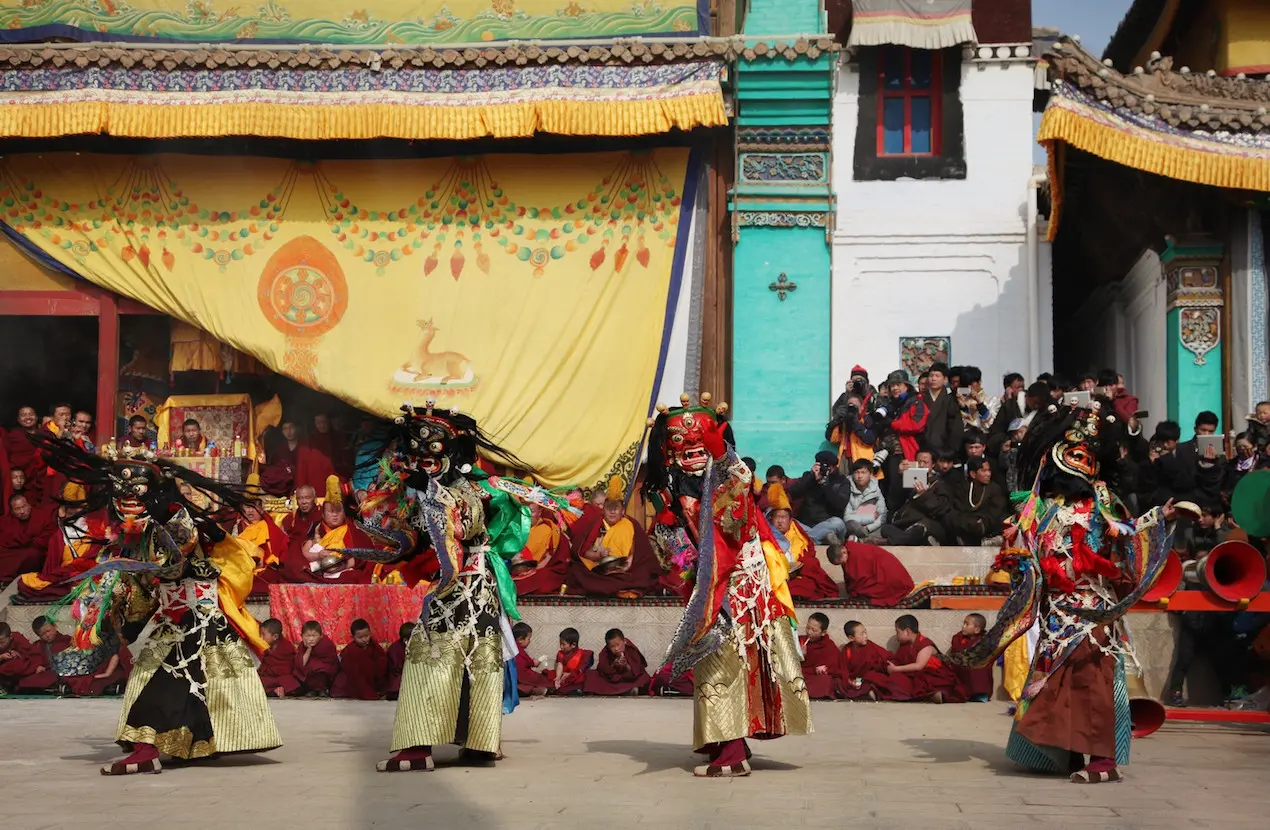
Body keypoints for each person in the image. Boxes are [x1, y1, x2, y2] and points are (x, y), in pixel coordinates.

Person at [944, 399, 1178, 783]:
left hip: (1092, 608)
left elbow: (1128, 535)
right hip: (1055, 611)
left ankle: (1103, 761)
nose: (1079, 461)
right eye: (1071, 453)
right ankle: (1066, 753)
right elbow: (1024, 552)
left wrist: (1159, 517)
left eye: (1086, 455)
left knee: (1094, 681)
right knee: (1055, 684)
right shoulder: (1040, 509)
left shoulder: (1102, 505)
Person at [31, 435, 281, 774]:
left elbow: (181, 550)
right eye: (122, 492)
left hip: (200, 617)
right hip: (171, 619)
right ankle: (176, 744)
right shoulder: (131, 537)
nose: (130, 499)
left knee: (169, 682)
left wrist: (166, 514)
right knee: (150, 677)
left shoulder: (180, 520)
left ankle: (147, 751)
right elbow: (143, 589)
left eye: (138, 491)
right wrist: (114, 609)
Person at [363, 403, 541, 773]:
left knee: (432, 654)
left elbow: (456, 531)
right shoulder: (431, 490)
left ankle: (421, 748)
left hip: (466, 583)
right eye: (415, 451)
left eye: (433, 450)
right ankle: (478, 743)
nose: (423, 458)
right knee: (472, 659)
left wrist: (427, 505)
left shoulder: (465, 490)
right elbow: (418, 535)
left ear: (452, 451)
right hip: (468, 584)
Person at [644, 393, 810, 778]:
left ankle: (731, 753)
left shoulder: (725, 477)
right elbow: (674, 549)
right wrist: (678, 549)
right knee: (714, 662)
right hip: (707, 586)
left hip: (740, 584)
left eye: (700, 444)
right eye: (680, 446)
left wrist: (724, 456)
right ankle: (723, 740)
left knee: (724, 663)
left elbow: (739, 492)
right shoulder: (670, 490)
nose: (691, 452)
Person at [567, 477, 660, 598]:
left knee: (643, 574)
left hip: (626, 569)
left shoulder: (631, 525)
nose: (612, 512)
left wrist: (629, 562)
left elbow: (640, 552)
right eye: (609, 508)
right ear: (603, 510)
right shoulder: (595, 524)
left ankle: (616, 587)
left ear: (623, 511)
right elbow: (583, 552)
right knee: (577, 571)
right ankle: (619, 588)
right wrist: (598, 555)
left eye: (616, 508)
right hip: (599, 569)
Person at [279, 477, 375, 584]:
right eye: (330, 511)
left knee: (355, 576)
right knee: (296, 566)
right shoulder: (317, 528)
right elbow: (305, 551)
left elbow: (363, 555)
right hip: (319, 567)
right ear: (323, 514)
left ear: (344, 513)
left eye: (338, 511)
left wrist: (343, 565)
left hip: (343, 569)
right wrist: (318, 556)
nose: (334, 515)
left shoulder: (352, 530)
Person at [15, 499, 104, 601]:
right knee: (25, 582)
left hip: (87, 576)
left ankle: (72, 591)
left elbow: (98, 559)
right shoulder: (58, 536)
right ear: (66, 514)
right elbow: (51, 570)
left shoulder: (95, 531)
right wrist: (63, 573)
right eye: (71, 513)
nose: (75, 517)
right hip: (64, 577)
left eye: (79, 513)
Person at [864, 615, 966, 703]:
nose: (896, 636)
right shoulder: (906, 645)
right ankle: (878, 691)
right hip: (913, 676)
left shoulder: (925, 644)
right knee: (887, 678)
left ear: (907, 631)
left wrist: (895, 669)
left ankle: (934, 695)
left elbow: (919, 666)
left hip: (931, 674)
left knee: (928, 681)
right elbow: (901, 661)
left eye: (897, 632)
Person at [766, 483, 838, 600]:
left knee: (808, 578)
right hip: (776, 573)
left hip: (797, 573)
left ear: (790, 520)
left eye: (783, 517)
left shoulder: (797, 532)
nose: (780, 521)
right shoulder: (767, 534)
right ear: (771, 518)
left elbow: (809, 552)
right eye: (777, 517)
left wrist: (802, 565)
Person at [234, 484, 289, 592]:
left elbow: (275, 551)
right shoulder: (238, 526)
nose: (250, 511)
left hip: (262, 567)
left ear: (261, 509)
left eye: (254, 507)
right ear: (242, 509)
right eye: (247, 506)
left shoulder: (267, 526)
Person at [788, 450, 849, 544]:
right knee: (787, 521)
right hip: (807, 524)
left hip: (828, 523)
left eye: (827, 467)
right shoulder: (809, 477)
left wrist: (824, 484)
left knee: (838, 523)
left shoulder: (842, 481)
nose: (824, 470)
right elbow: (792, 493)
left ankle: (809, 539)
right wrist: (810, 476)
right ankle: (819, 538)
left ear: (833, 467)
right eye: (821, 466)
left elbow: (840, 504)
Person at [512, 502, 571, 596]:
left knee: (543, 581)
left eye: (531, 511)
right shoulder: (514, 528)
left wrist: (531, 571)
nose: (527, 515)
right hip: (515, 569)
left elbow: (549, 558)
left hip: (537, 569)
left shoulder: (548, 529)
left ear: (540, 512)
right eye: (524, 511)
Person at [834, 541, 914, 606]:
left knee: (864, 591)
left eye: (842, 562)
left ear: (844, 551)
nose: (844, 564)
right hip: (881, 572)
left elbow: (861, 577)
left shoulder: (856, 553)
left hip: (889, 574)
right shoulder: (848, 554)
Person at [0, 493, 55, 586]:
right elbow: (4, 541)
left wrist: (33, 541)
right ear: (12, 511)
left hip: (34, 549)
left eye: (23, 507)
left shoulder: (42, 515)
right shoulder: (6, 521)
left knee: (33, 555)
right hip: (15, 551)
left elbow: (49, 535)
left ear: (29, 505)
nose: (22, 511)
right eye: (17, 509)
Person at [333, 619, 388, 700]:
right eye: (360, 637)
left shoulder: (374, 645)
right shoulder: (350, 650)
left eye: (366, 636)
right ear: (353, 637)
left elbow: (381, 659)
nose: (364, 639)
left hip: (372, 678)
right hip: (356, 680)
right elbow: (349, 668)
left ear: (370, 633)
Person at [584, 628, 651, 696]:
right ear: (608, 646)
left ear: (624, 641)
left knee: (645, 678)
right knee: (591, 675)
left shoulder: (631, 650)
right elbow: (603, 669)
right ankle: (627, 690)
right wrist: (613, 665)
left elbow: (636, 671)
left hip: (629, 679)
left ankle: (625, 690)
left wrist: (626, 666)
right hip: (613, 680)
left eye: (618, 644)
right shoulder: (605, 652)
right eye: (612, 646)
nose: (616, 649)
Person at [839, 621, 893, 700]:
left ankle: (869, 692)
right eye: (862, 634)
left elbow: (886, 657)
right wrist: (849, 681)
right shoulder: (847, 650)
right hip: (853, 679)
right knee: (838, 681)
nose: (866, 636)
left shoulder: (870, 645)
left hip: (866, 677)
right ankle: (866, 693)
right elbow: (843, 669)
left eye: (865, 632)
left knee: (872, 677)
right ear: (851, 638)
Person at [921, 362, 964, 459]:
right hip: (923, 448)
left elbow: (955, 427)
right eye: (931, 375)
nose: (933, 379)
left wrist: (951, 450)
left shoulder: (951, 400)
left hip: (944, 449)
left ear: (945, 379)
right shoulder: (921, 398)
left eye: (937, 376)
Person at [841, 458, 888, 542]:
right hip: (854, 527)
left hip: (872, 528)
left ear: (870, 474)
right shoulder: (846, 488)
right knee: (851, 525)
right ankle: (866, 539)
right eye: (857, 472)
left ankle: (861, 539)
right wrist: (870, 517)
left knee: (887, 529)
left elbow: (882, 514)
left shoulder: (876, 489)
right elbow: (847, 517)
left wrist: (868, 528)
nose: (859, 476)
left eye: (863, 472)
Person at [950, 613, 993, 702]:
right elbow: (956, 650)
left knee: (979, 667)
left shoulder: (984, 640)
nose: (963, 626)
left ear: (977, 630)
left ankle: (980, 693)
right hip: (960, 666)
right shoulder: (959, 638)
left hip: (975, 665)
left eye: (967, 624)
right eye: (963, 623)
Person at [800, 612, 842, 700]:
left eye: (814, 630)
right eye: (808, 628)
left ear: (823, 632)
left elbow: (835, 666)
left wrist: (824, 669)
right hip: (801, 674)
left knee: (826, 680)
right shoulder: (800, 640)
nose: (809, 632)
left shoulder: (828, 645)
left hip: (815, 677)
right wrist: (800, 656)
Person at [295, 414, 343, 492]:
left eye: (324, 422)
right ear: (314, 424)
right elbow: (301, 468)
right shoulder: (307, 442)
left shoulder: (337, 438)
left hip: (333, 482)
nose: (322, 425)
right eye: (318, 423)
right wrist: (301, 488)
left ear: (329, 422)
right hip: (314, 482)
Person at [257, 618, 300, 698]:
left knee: (290, 682)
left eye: (263, 634)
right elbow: (264, 663)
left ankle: (275, 690)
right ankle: (276, 690)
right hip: (271, 678)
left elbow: (287, 667)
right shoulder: (267, 647)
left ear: (275, 636)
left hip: (282, 677)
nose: (261, 638)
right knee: (257, 681)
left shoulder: (286, 646)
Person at [294, 620, 339, 697]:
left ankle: (323, 689)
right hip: (309, 675)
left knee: (320, 670)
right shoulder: (302, 646)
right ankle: (311, 690)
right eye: (308, 636)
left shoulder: (327, 644)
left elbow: (332, 663)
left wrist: (316, 666)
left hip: (323, 675)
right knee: (301, 672)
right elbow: (302, 664)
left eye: (314, 636)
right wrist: (309, 649)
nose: (311, 639)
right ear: (302, 636)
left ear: (321, 636)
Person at [512, 622, 553, 697]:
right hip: (523, 675)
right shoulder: (519, 649)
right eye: (528, 638)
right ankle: (545, 689)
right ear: (520, 639)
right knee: (541, 678)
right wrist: (535, 662)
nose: (529, 641)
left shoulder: (512, 647)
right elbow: (530, 662)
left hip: (515, 677)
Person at [259, 422, 298, 496]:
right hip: (283, 484)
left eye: (291, 428)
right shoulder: (279, 451)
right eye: (285, 429)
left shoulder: (303, 447)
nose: (289, 431)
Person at [554, 627, 592, 695]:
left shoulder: (581, 653)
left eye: (563, 644)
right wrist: (558, 677)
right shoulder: (560, 654)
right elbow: (560, 665)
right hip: (564, 676)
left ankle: (576, 690)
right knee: (549, 676)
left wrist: (572, 674)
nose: (561, 647)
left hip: (575, 675)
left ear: (573, 645)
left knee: (587, 676)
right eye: (560, 644)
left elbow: (582, 668)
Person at [385, 621, 412, 701]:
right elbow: (396, 668)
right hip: (398, 677)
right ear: (405, 640)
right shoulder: (395, 648)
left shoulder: (416, 645)